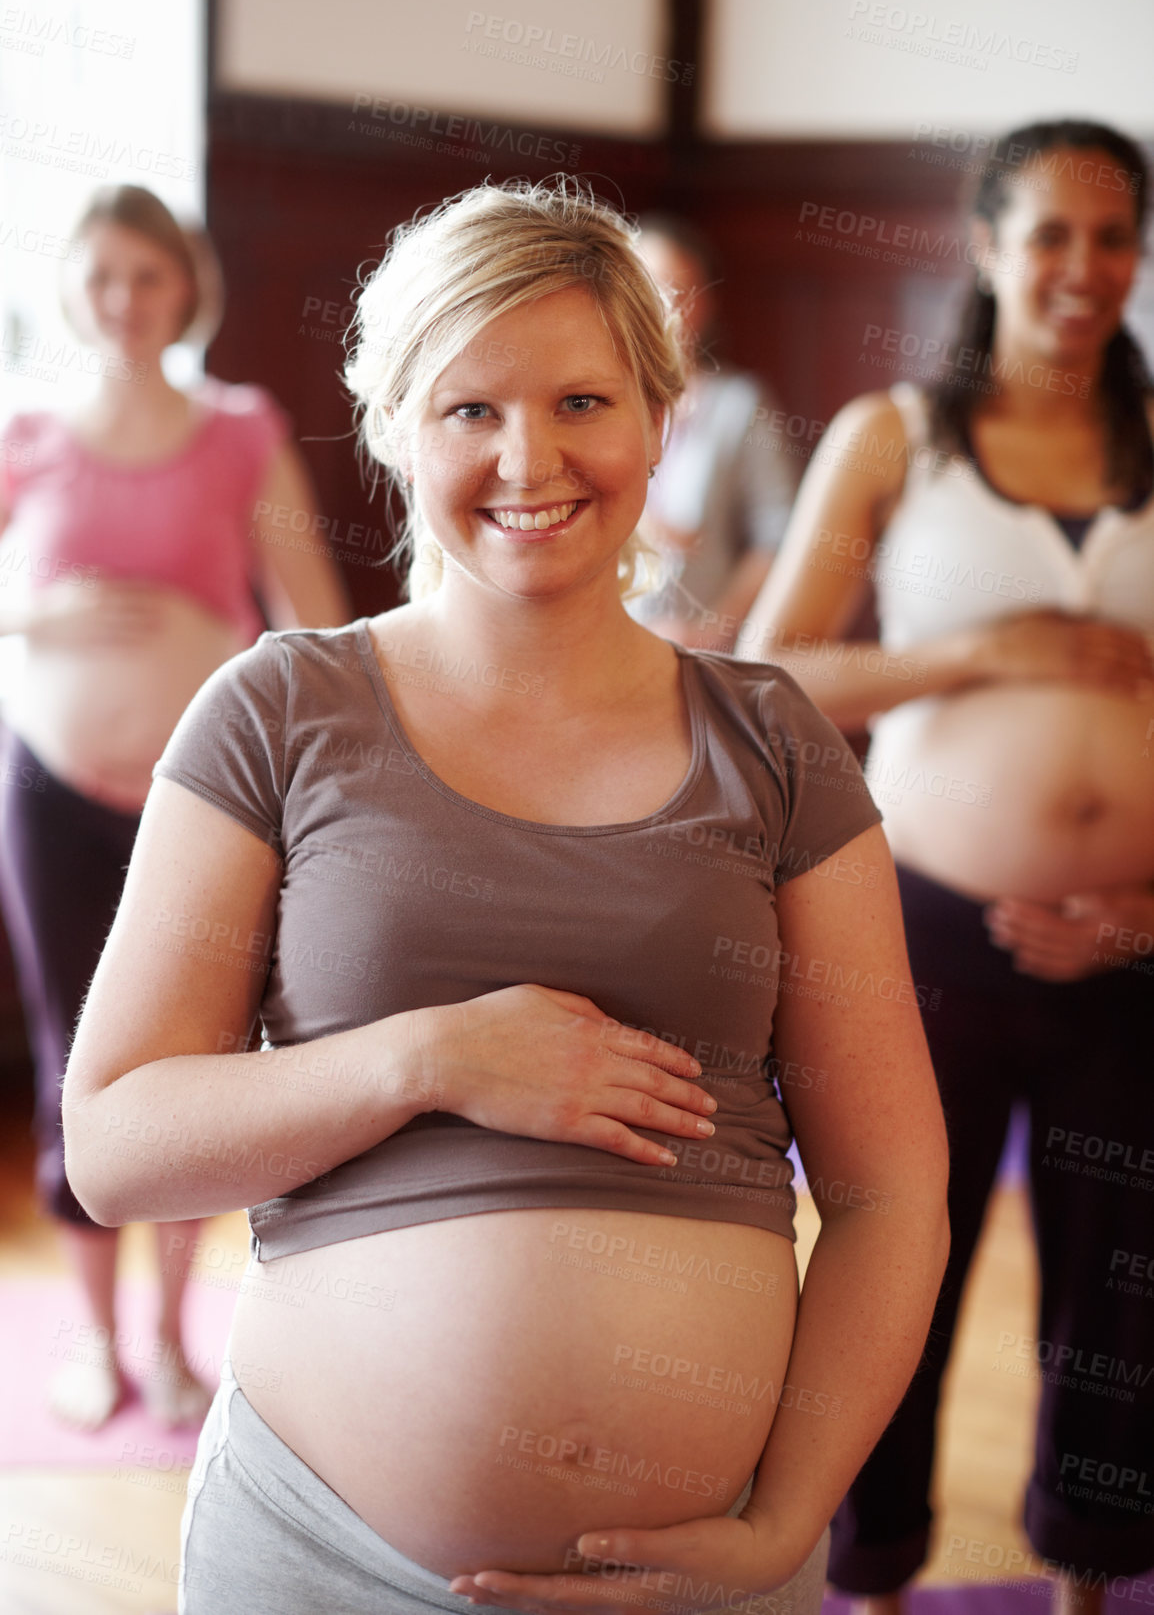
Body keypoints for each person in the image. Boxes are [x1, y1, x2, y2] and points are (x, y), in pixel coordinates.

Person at [61, 179, 947, 1615]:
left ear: (661, 422)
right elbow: (112, 1147)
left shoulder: (774, 741)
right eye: (469, 408)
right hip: (318, 1552)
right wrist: (436, 1058)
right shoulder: (275, 710)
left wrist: (784, 1520)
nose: (527, 456)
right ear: (397, 429)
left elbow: (889, 1186)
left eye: (582, 402)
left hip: (710, 1568)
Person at [742, 120, 1154, 1608]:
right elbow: (769, 672)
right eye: (1048, 234)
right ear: (984, 245)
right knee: (892, 1260)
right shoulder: (894, 438)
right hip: (921, 934)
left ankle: (1097, 1577)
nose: (1081, 270)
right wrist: (974, 652)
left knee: (1122, 1286)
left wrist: (1143, 913)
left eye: (1112, 238)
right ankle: (867, 1575)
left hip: (1129, 951)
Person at [0, 185, 350, 1431]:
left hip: (200, 806)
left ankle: (169, 1334)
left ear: (184, 285)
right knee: (68, 1059)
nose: (124, 301)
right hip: (50, 793)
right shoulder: (28, 432)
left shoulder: (239, 427)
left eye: (147, 276)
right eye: (100, 277)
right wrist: (36, 615)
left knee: (189, 1057)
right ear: (70, 290)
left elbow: (306, 605)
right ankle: (93, 1338)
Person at [628, 215, 797, 652]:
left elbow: (778, 535)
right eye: (649, 288)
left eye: (679, 291)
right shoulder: (595, 400)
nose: (666, 307)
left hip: (697, 647)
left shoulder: (741, 404)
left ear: (705, 304)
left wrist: (715, 629)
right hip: (602, 642)